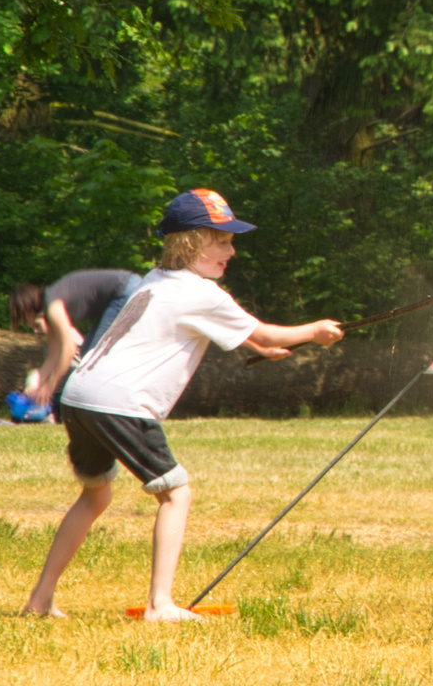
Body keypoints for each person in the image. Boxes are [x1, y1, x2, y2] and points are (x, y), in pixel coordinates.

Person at [22, 189, 343, 622]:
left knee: (95, 494)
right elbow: (266, 333)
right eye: (223, 241)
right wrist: (314, 330)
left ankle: (40, 599)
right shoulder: (203, 293)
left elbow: (226, 330)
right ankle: (160, 605)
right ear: (191, 243)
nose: (231, 251)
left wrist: (259, 347)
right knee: (177, 492)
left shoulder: (155, 281)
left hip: (80, 395)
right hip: (122, 403)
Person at [9, 269, 144, 411]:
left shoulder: (53, 304)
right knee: (88, 354)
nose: (29, 325)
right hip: (123, 290)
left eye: (24, 319)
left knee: (95, 358)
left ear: (27, 309)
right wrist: (34, 386)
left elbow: (69, 348)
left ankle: (111, 407)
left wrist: (50, 386)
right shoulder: (50, 306)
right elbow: (54, 355)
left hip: (125, 289)